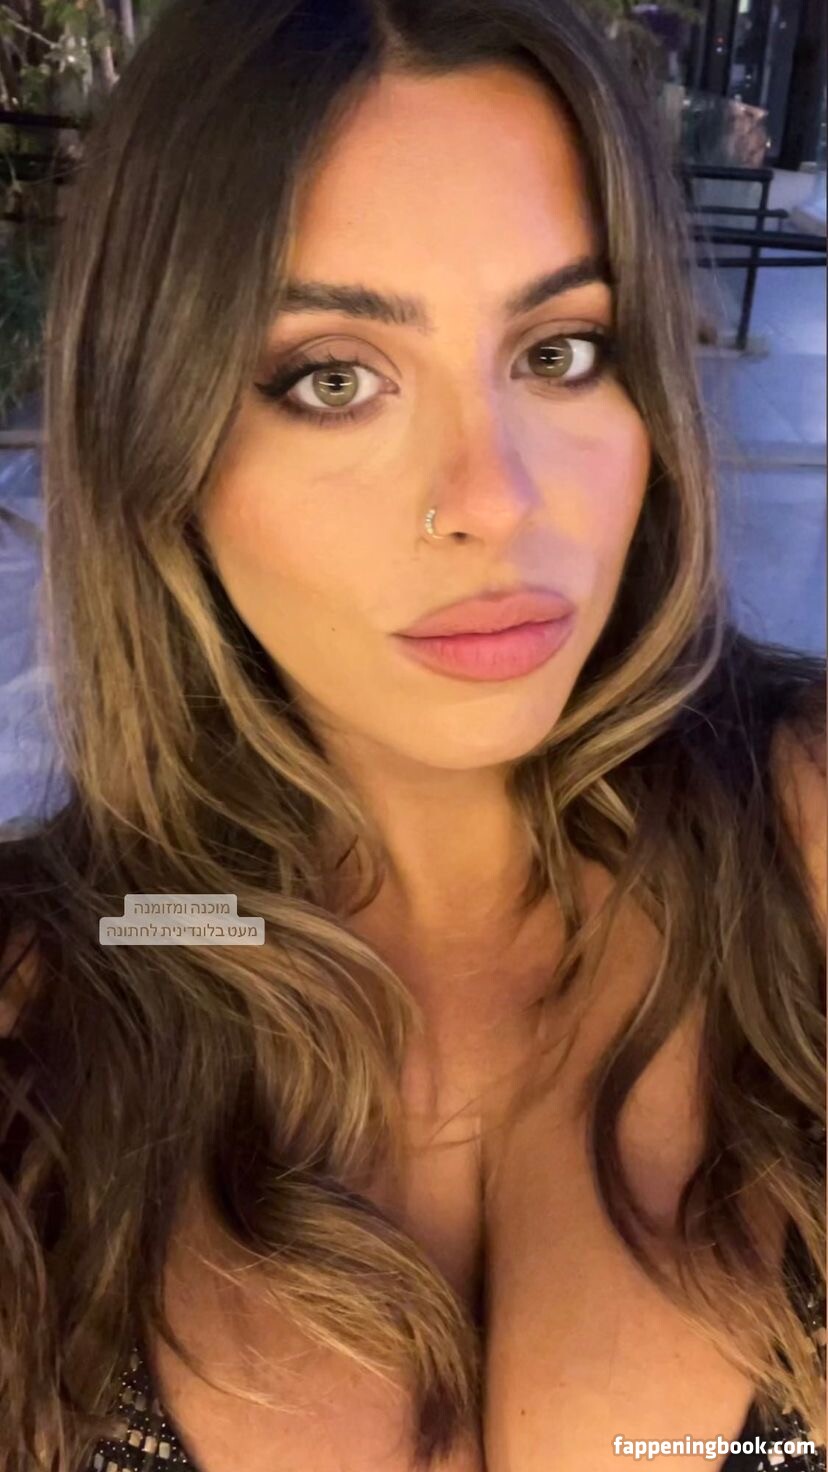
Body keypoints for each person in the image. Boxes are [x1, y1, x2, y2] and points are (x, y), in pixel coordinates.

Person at [0, 2, 824, 1470]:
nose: (493, 499)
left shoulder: (804, 837)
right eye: (334, 379)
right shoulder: (102, 951)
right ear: (154, 439)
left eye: (562, 352)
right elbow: (142, 915)